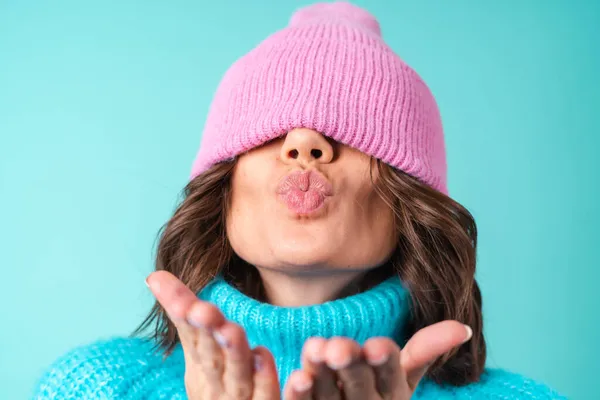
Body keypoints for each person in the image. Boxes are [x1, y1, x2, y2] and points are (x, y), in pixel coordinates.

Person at [33, 2, 566, 399]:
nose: (305, 142)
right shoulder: (91, 387)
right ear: (222, 192)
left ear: (412, 208)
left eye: (354, 129)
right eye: (269, 130)